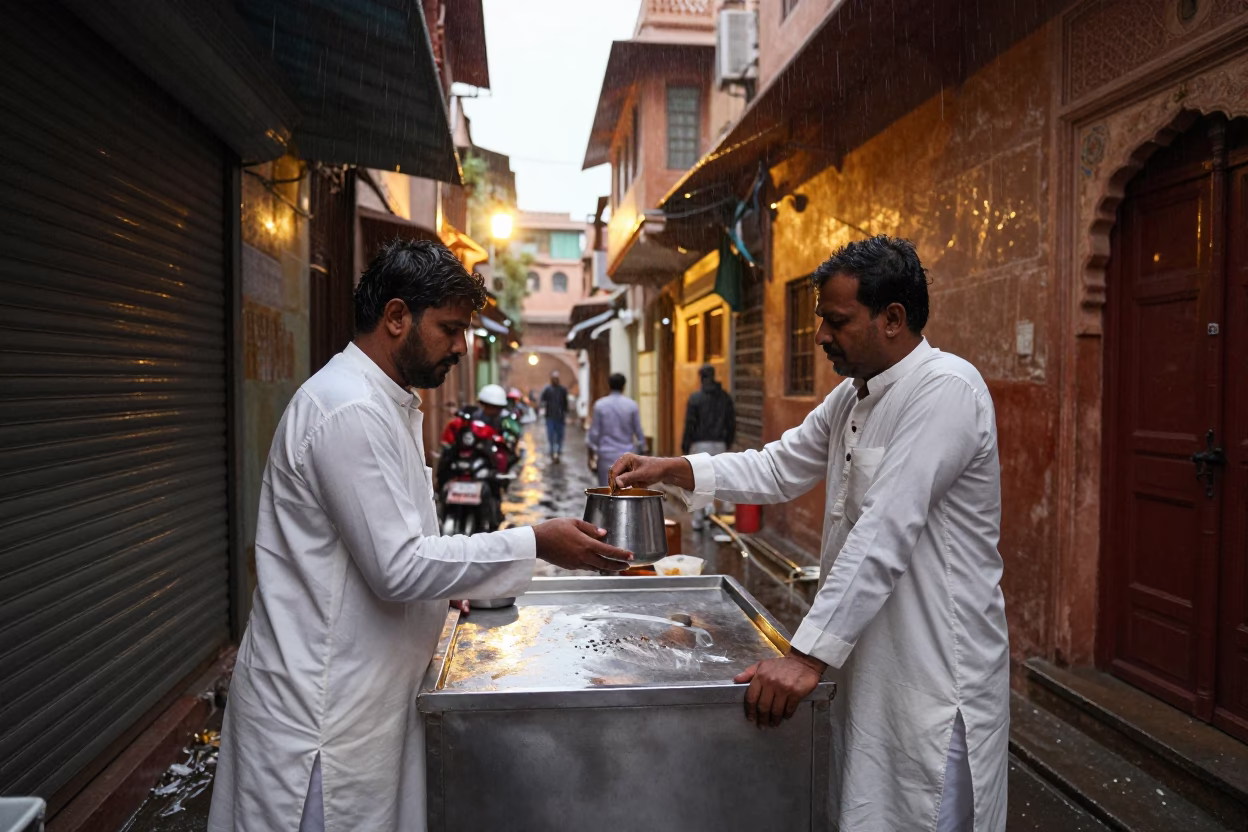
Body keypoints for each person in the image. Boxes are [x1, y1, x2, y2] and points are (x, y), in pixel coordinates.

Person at [208, 240, 633, 832]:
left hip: (367, 700)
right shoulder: (349, 409)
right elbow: (398, 566)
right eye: (451, 328)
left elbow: (396, 547)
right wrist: (535, 541)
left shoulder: (385, 403)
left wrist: (446, 589)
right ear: (397, 316)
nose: (462, 346)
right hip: (322, 718)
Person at [612, 236, 1009, 832]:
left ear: (893, 319)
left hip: (932, 670)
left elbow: (885, 527)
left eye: (836, 321)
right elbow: (776, 466)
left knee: (922, 811)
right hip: (865, 657)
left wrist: (805, 655)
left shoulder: (945, 390)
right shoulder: (853, 396)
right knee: (861, 804)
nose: (821, 335)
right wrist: (671, 469)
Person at [680, 364, 735, 531]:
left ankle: (699, 520)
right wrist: (727, 442)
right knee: (720, 478)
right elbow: (731, 423)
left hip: (699, 444)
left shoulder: (695, 398)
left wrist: (685, 444)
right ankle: (720, 517)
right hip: (719, 443)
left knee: (700, 482)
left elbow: (690, 424)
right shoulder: (725, 397)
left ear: (701, 378)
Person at [586, 373, 646, 487]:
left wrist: (590, 455)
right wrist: (643, 451)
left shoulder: (600, 405)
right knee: (626, 490)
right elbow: (638, 431)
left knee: (607, 491)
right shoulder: (631, 405)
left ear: (609, 385)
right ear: (624, 386)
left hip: (605, 455)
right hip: (627, 456)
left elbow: (594, 433)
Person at [539, 371, 569, 463]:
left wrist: (565, 412)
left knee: (560, 435)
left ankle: (558, 451)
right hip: (550, 417)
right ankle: (552, 451)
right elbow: (542, 400)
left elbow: (565, 402)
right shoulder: (547, 389)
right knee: (551, 435)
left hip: (560, 417)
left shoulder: (562, 389)